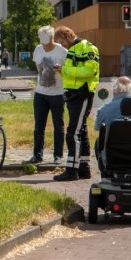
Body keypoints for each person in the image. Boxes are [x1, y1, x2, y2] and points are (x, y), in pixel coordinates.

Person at [52, 25, 100, 182]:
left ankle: (71, 171)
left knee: (73, 132)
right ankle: (83, 169)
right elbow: (76, 71)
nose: (62, 46)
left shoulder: (88, 48)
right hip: (73, 95)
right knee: (82, 131)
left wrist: (65, 71)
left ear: (67, 36)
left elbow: (90, 71)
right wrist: (62, 70)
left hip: (82, 94)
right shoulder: (73, 50)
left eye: (61, 42)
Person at [27, 25, 68, 165]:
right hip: (41, 93)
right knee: (39, 126)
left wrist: (61, 69)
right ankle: (37, 155)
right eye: (41, 37)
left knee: (58, 125)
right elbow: (38, 69)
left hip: (57, 93)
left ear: (51, 37)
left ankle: (58, 155)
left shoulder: (62, 51)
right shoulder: (38, 50)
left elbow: (68, 69)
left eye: (45, 37)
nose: (43, 40)